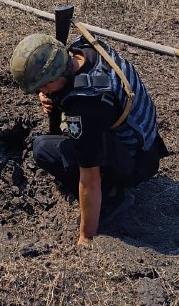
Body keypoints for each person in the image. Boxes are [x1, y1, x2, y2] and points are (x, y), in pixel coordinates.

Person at [10, 30, 169, 247]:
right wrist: (51, 96)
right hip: (146, 147)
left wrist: (86, 237)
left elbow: (89, 179)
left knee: (43, 149)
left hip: (133, 163)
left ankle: (113, 197)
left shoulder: (86, 103)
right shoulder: (85, 47)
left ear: (55, 77)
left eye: (43, 86)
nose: (42, 92)